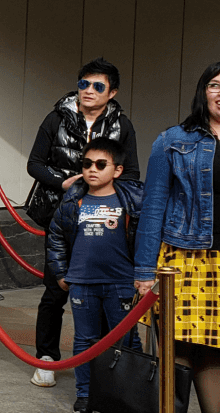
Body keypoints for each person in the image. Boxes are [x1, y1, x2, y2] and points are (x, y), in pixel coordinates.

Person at [25, 57, 140, 386]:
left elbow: (131, 173)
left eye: (98, 86)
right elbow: (35, 163)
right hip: (60, 213)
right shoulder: (56, 117)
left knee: (102, 290)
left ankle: (103, 360)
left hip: (105, 218)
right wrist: (62, 183)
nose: (88, 91)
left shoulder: (122, 125)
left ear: (112, 92)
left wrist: (103, 191)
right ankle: (46, 357)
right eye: (83, 84)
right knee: (54, 289)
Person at [134, 62, 220, 413]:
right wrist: (142, 271)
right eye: (215, 85)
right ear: (203, 92)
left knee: (215, 352)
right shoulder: (173, 140)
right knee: (178, 351)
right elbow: (152, 208)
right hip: (181, 259)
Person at [46, 137, 143, 413]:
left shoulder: (131, 201)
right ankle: (86, 394)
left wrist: (142, 275)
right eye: (87, 164)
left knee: (126, 340)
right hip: (82, 284)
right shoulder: (73, 200)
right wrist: (61, 273)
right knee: (84, 341)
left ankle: (124, 394)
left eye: (101, 164)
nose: (92, 170)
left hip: (122, 284)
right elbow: (55, 237)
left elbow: (146, 237)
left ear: (118, 170)